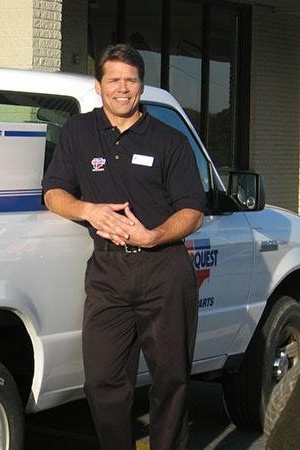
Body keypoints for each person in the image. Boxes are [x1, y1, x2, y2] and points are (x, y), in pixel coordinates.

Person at [41, 43, 205, 450]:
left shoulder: (169, 141)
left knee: (172, 380)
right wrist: (89, 211)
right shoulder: (78, 133)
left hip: (163, 269)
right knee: (102, 382)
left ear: (142, 86)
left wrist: (153, 236)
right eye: (113, 80)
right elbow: (53, 193)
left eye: (130, 80)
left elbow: (193, 212)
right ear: (98, 86)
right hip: (108, 272)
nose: (122, 88)